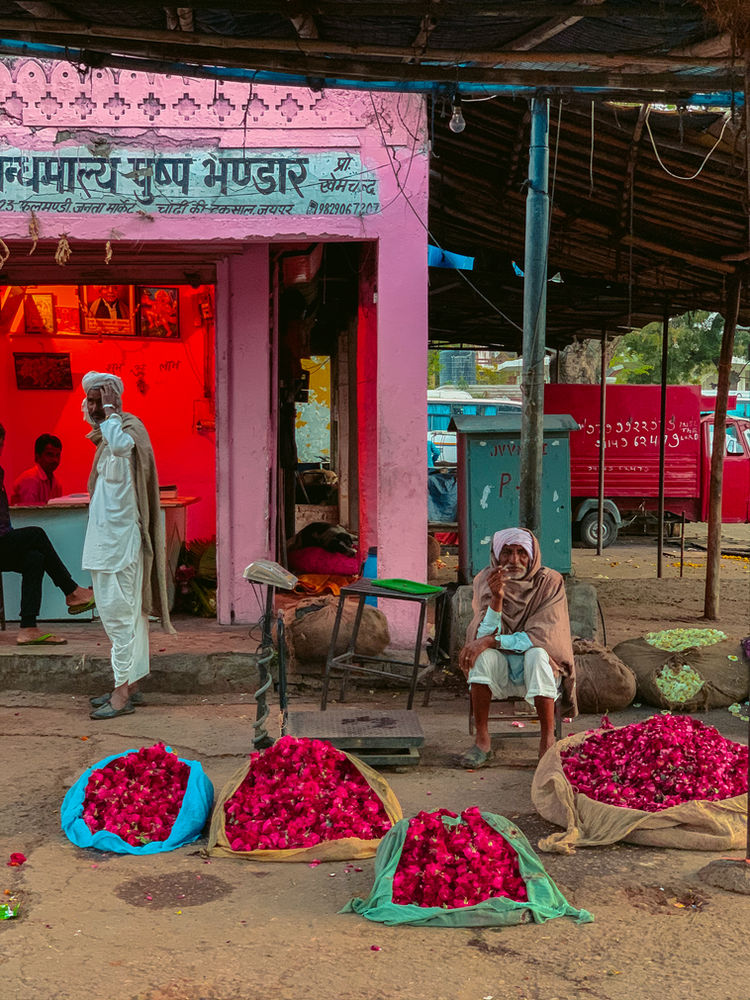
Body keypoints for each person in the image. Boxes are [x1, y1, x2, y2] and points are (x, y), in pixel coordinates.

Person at [81, 372, 174, 720]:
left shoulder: (127, 432)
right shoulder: (107, 436)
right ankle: (130, 683)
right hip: (106, 543)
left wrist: (109, 409)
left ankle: (121, 695)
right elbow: (101, 431)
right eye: (90, 400)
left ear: (113, 401)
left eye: (98, 400)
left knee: (120, 619)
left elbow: (121, 444)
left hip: (120, 545)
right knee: (126, 617)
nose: (92, 408)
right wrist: (100, 412)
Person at [458, 528, 576, 766]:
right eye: (507, 553)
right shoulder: (485, 579)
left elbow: (544, 636)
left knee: (538, 655)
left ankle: (547, 741)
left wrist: (493, 641)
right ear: (496, 555)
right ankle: (482, 740)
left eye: (522, 552)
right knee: (481, 657)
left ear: (532, 556)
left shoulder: (550, 582)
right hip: (501, 670)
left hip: (539, 671)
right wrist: (497, 598)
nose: (514, 560)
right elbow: (482, 635)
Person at [0, 423, 95, 645]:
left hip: (4, 539)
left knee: (35, 558)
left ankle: (28, 628)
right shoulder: (29, 479)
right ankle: (71, 591)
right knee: (37, 534)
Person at [10, 433, 64, 505]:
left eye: (57, 455)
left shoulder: (56, 484)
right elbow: (29, 513)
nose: (55, 460)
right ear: (37, 457)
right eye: (50, 455)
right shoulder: (30, 479)